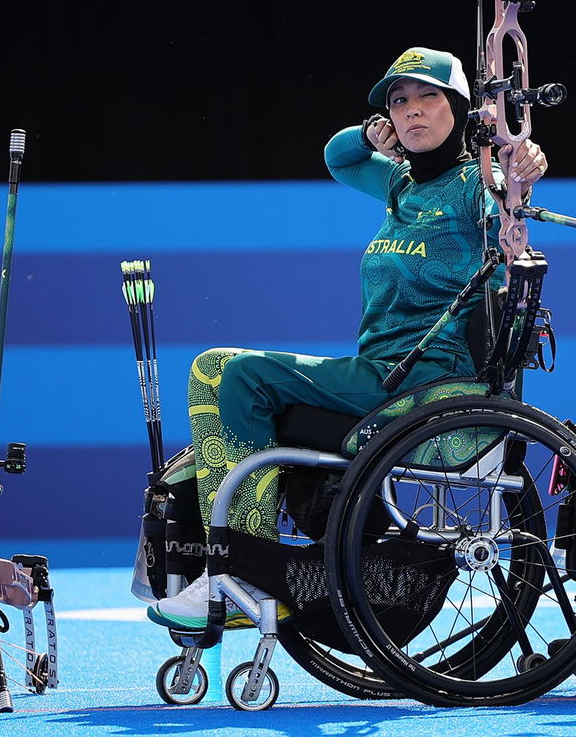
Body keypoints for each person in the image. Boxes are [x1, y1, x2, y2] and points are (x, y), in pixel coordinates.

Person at [148, 46, 549, 630]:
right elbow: (338, 155)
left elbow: (507, 183)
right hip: (378, 370)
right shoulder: (402, 185)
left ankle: (240, 572)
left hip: (425, 378)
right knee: (223, 371)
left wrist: (520, 161)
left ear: (461, 108)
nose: (412, 111)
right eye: (399, 100)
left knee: (227, 370)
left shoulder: (471, 184)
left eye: (428, 97)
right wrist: (370, 133)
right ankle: (245, 568)